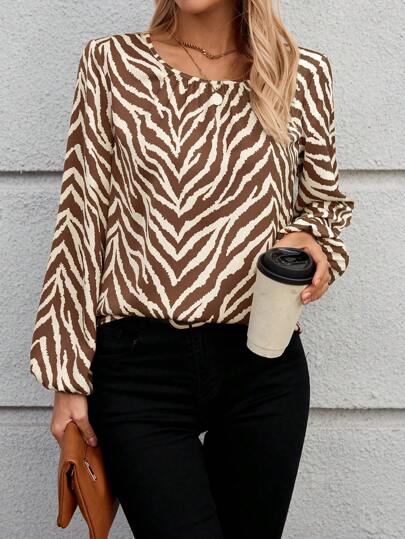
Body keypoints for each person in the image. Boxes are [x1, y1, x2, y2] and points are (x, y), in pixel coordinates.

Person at [29, 1, 355, 537]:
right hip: (139, 370)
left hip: (262, 364)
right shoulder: (112, 63)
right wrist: (67, 376)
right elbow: (80, 219)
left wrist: (312, 241)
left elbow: (325, 207)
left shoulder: (302, 73)